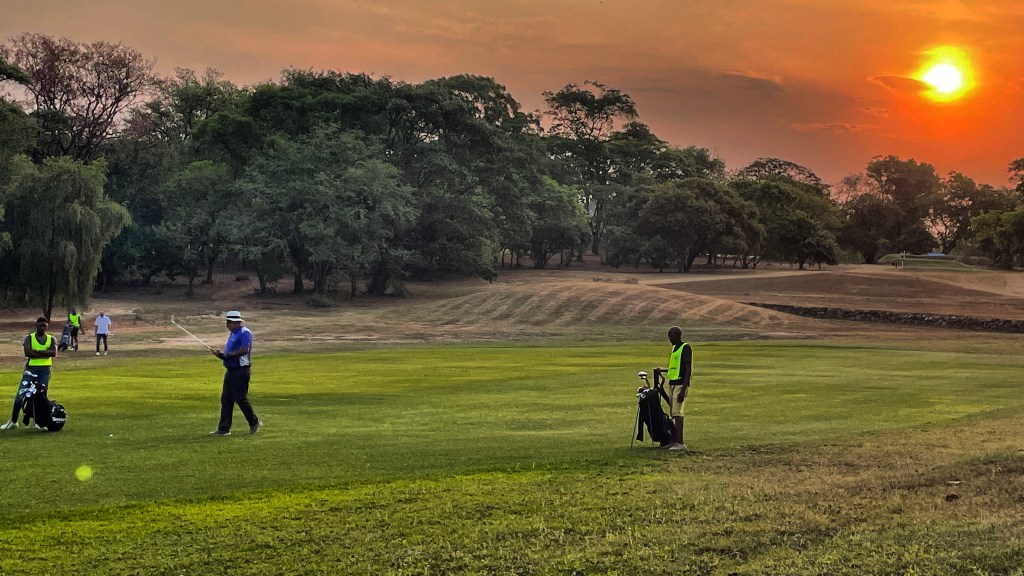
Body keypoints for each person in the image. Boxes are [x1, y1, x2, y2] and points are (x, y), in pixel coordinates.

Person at [209, 311, 261, 436]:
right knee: (226, 399)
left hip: (241, 371)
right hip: (231, 371)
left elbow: (243, 350)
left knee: (240, 399)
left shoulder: (245, 333)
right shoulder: (233, 334)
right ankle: (224, 429)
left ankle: (254, 421)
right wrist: (221, 355)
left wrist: (226, 355)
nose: (227, 325)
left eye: (229, 322)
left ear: (236, 322)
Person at [1, 317, 57, 431]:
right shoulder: (29, 338)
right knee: (20, 396)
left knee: (40, 397)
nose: (42, 328)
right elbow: (28, 353)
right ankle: (13, 421)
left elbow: (53, 353)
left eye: (44, 326)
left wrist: (38, 351)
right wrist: (45, 353)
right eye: (40, 325)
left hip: (45, 371)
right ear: (36, 325)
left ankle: (39, 422)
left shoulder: (51, 339)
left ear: (47, 327)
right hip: (31, 370)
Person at [654, 326, 692, 452]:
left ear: (678, 336)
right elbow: (675, 368)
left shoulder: (685, 348)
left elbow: (687, 370)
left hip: (681, 383)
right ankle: (675, 441)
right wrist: (662, 370)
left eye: (671, 336)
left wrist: (683, 389)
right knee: (673, 411)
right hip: (672, 382)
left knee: (678, 413)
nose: (669, 339)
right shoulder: (674, 349)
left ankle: (680, 443)